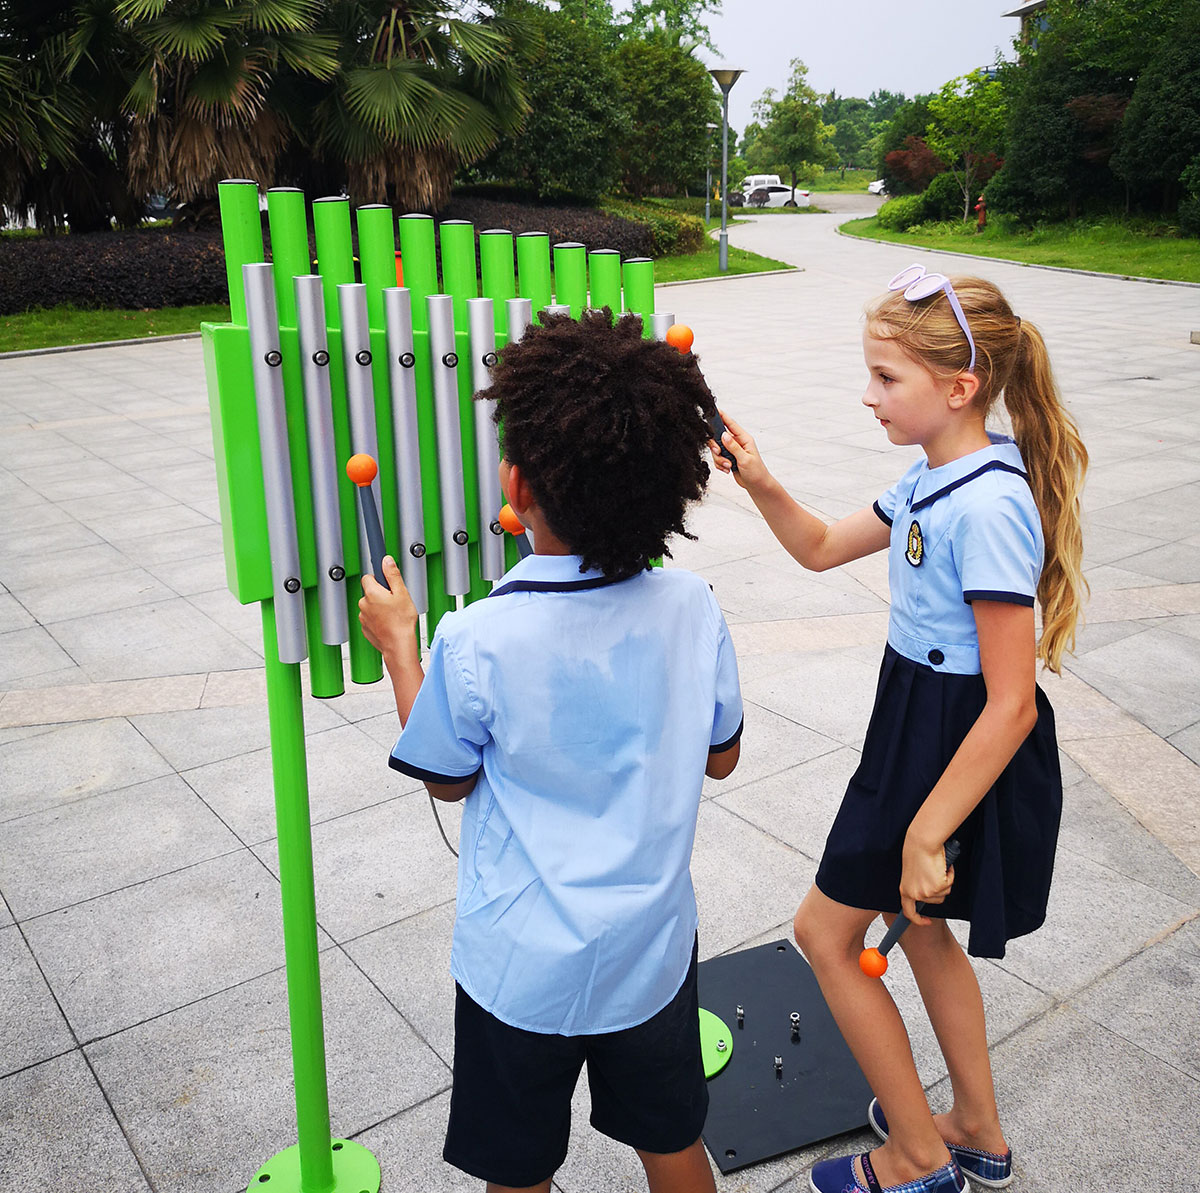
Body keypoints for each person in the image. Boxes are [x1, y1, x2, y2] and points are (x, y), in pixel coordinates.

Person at [710, 265, 1087, 1193]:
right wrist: (758, 479)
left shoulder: (990, 506)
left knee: (826, 934)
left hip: (954, 740)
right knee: (917, 932)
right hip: (914, 722)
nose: (868, 394)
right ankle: (976, 1131)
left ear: (959, 388)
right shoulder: (932, 476)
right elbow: (818, 547)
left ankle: (918, 1161)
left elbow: (1013, 702)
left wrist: (926, 828)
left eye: (887, 378)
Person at [358, 309, 743, 1193]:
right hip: (650, 948)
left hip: (520, 967)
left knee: (519, 1170)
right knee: (674, 1144)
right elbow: (721, 758)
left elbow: (449, 777)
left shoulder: (479, 636)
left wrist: (398, 651)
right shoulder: (693, 606)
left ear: (515, 483)